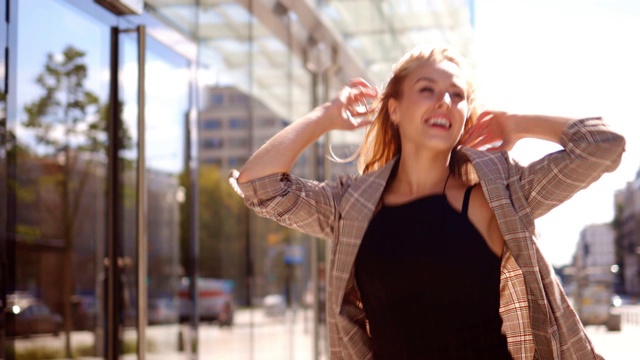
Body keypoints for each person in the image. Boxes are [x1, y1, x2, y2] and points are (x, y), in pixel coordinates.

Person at [229, 46, 625, 359]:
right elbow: (259, 186)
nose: (445, 103)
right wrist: (324, 116)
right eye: (427, 90)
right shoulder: (351, 206)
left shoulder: (495, 196)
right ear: (395, 109)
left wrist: (519, 123)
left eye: (457, 95)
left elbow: (603, 146)